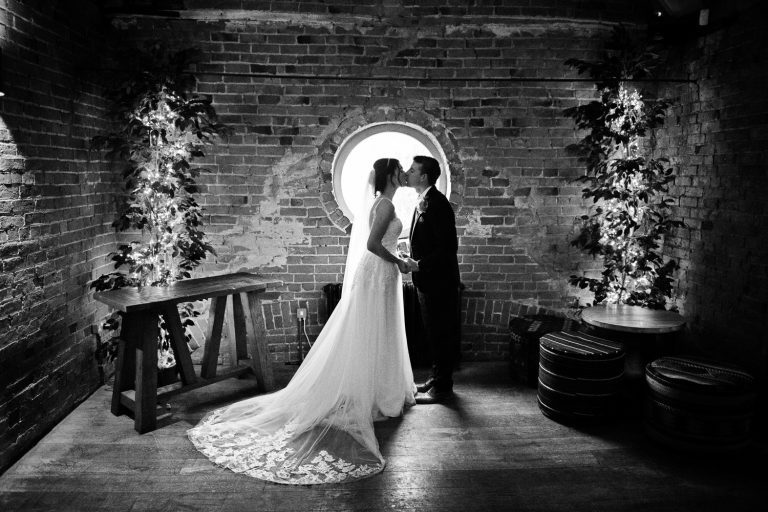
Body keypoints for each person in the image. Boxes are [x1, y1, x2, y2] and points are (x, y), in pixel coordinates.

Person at [188, 158, 415, 485]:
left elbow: (384, 243)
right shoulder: (383, 205)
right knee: (372, 331)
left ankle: (382, 390)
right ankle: (373, 395)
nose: (406, 173)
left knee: (381, 332)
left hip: (384, 274)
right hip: (377, 273)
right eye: (401, 170)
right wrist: (400, 262)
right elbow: (372, 244)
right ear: (392, 174)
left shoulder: (386, 203)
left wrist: (400, 258)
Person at [403, 156, 461, 404]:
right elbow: (426, 241)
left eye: (413, 169)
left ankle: (443, 388)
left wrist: (420, 264)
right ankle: (436, 379)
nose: (408, 172)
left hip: (440, 282)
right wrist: (411, 256)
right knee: (432, 333)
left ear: (424, 176)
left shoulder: (438, 203)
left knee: (442, 334)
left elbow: (448, 248)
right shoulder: (423, 201)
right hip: (426, 280)